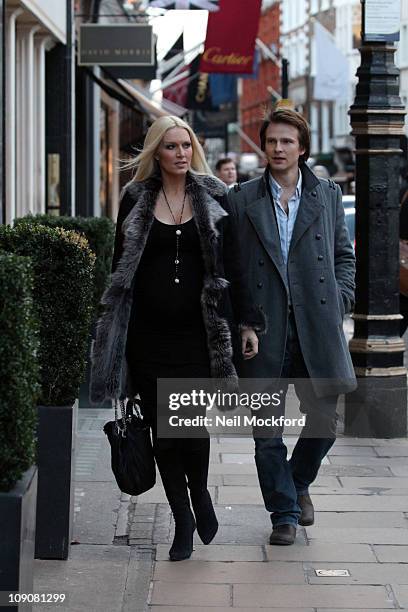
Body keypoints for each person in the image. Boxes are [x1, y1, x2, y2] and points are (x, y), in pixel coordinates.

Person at [90, 116, 264, 561]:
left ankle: (201, 493)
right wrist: (114, 334)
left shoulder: (214, 197)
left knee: (188, 426)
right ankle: (182, 519)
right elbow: (119, 273)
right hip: (147, 337)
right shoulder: (136, 199)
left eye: (186, 145)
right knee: (162, 434)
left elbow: (235, 266)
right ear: (156, 153)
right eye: (170, 146)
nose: (181, 153)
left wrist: (246, 322)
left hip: (196, 334)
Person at [227, 108, 356, 546]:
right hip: (263, 330)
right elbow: (233, 269)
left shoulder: (327, 196)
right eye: (271, 142)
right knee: (266, 431)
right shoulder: (241, 198)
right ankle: (283, 512)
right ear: (263, 147)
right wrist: (242, 319)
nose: (278, 149)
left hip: (316, 325)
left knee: (325, 420)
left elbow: (343, 255)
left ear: (302, 148)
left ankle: (298, 482)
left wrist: (340, 299)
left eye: (287, 142)